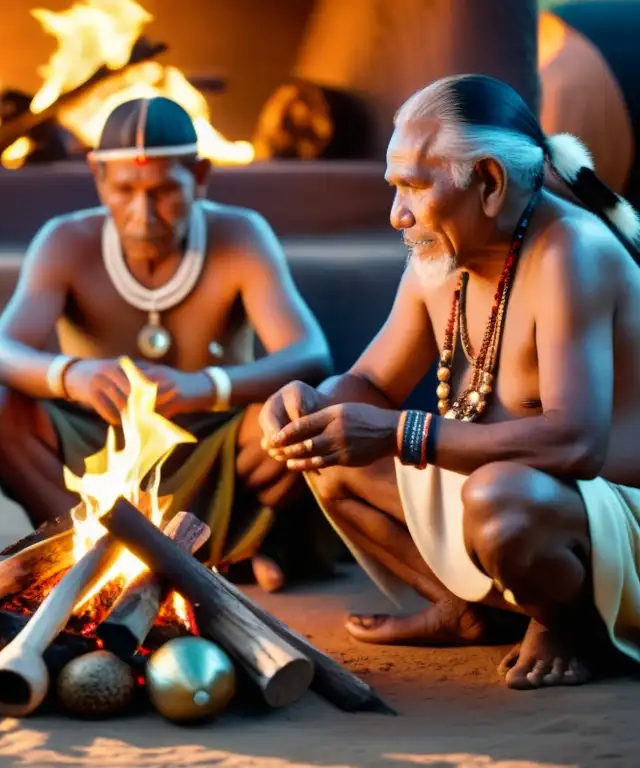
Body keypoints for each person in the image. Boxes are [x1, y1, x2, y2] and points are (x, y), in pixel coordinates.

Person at [260, 73, 640, 689]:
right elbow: (371, 384)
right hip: (503, 495)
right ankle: (463, 610)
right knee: (327, 455)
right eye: (394, 187)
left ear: (488, 183)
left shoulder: (573, 251)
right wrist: (314, 405)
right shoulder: (440, 258)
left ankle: (566, 625)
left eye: (412, 187)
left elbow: (577, 443)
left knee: (500, 500)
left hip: (609, 515)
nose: (396, 215)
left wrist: (402, 434)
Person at [0, 96, 334, 592]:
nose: (143, 213)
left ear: (201, 175)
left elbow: (309, 355)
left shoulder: (240, 235)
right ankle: (77, 551)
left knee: (299, 415)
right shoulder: (66, 241)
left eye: (165, 190)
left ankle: (232, 547)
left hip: (214, 441)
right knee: (2, 413)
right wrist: (71, 375)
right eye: (125, 189)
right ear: (99, 177)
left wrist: (204, 387)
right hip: (99, 440)